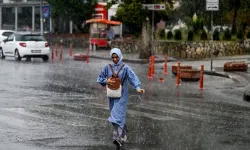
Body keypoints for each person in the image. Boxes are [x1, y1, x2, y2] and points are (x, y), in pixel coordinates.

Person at [97, 48, 145, 148]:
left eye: (116, 57)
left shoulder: (125, 67)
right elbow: (99, 78)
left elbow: (133, 77)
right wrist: (107, 81)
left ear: (120, 56)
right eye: (113, 57)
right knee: (115, 116)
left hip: (122, 95)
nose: (114, 59)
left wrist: (138, 88)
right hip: (111, 95)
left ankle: (116, 138)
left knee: (117, 115)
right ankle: (124, 131)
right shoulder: (107, 67)